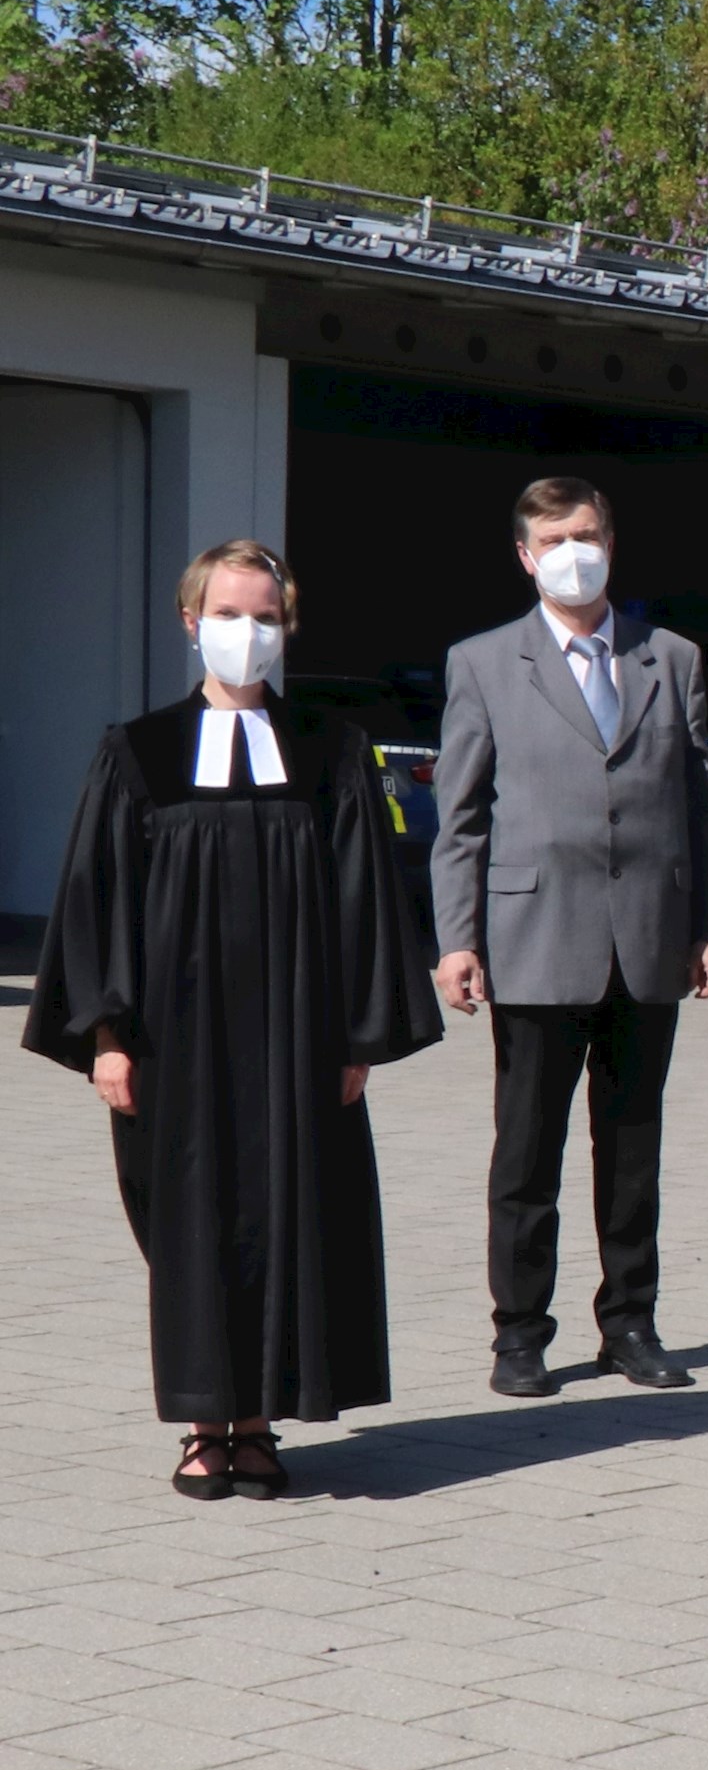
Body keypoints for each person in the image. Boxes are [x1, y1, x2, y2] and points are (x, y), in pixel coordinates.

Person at [26, 539, 442, 1498]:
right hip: (173, 1043)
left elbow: (363, 901)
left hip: (298, 1039)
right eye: (227, 614)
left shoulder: (332, 750)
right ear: (189, 621)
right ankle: (202, 1424)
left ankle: (259, 1423)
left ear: (286, 627)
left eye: (263, 617)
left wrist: (359, 1041)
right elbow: (98, 901)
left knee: (291, 1216)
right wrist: (107, 1037)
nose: (244, 633)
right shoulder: (137, 752)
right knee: (190, 1224)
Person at [428, 476, 708, 1400]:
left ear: (612, 540)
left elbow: (697, 804)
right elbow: (462, 816)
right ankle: (519, 1332)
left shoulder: (669, 657)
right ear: (525, 555)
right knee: (527, 1151)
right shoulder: (483, 663)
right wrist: (457, 937)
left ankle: (629, 1322)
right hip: (532, 936)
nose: (574, 550)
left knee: (631, 1147)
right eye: (554, 538)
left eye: (588, 533)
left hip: (647, 940)